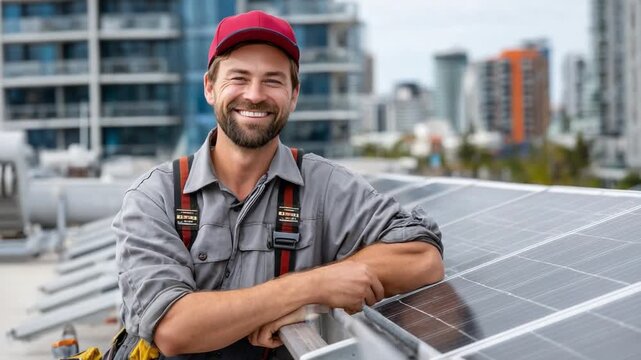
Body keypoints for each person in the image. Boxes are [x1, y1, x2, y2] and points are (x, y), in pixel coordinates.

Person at [112, 10, 444, 359]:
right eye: (238, 77)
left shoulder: (325, 187)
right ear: (210, 88)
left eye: (273, 80)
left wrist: (309, 295)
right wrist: (311, 288)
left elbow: (423, 259)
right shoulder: (156, 196)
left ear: (294, 94)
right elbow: (173, 329)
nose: (254, 95)